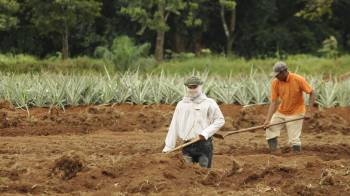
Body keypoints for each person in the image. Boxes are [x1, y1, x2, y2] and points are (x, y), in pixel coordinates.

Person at [162, 76, 225, 168]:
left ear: (200, 87)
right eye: (189, 87)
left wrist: (205, 133)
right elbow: (174, 126)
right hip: (187, 145)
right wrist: (169, 146)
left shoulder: (209, 103)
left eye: (194, 87)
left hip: (204, 145)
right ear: (186, 88)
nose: (192, 90)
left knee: (204, 173)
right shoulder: (181, 105)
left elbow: (220, 120)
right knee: (187, 175)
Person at [263, 61, 316, 152]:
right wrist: (268, 120)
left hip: (296, 112)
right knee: (270, 129)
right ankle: (274, 153)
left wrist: (309, 111)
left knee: (293, 139)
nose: (276, 77)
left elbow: (312, 92)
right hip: (281, 111)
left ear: (284, 72)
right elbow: (273, 102)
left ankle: (296, 157)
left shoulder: (298, 79)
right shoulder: (275, 82)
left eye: (277, 75)